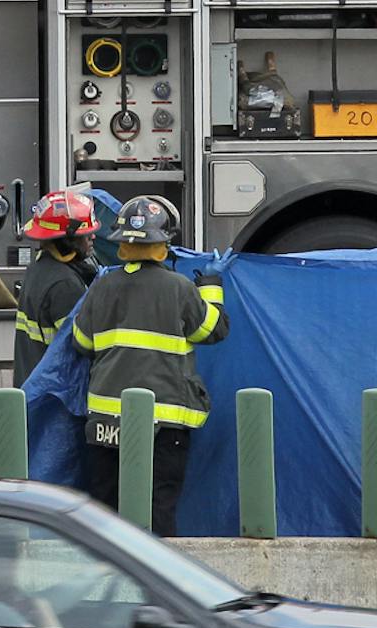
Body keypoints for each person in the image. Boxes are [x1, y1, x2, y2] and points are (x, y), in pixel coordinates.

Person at [70, 195, 227, 537]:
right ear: (164, 244)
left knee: (105, 516)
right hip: (164, 423)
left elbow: (81, 343)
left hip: (105, 423)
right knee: (158, 513)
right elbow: (213, 330)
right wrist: (212, 286)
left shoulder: (102, 286)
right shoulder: (181, 289)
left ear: (123, 244)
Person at [12, 188, 98, 387]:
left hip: (34, 386)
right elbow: (83, 346)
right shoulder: (65, 285)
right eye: (85, 234)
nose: (92, 238)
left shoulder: (40, 266)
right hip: (56, 396)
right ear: (66, 240)